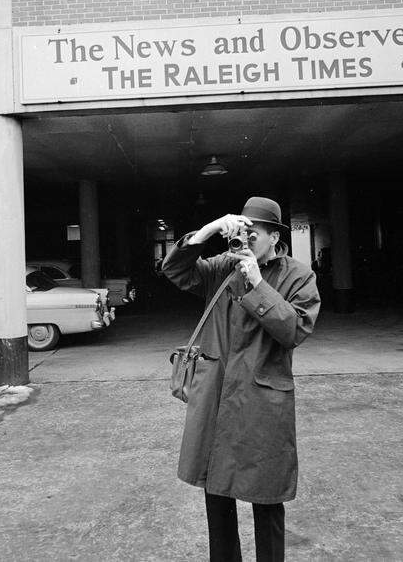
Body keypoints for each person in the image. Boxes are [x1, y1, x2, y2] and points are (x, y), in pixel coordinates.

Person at [162, 196, 321, 562]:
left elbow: (294, 329)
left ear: (274, 239)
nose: (245, 242)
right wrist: (212, 228)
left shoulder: (299, 275)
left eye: (255, 235)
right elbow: (176, 271)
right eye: (242, 233)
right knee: (216, 491)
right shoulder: (222, 266)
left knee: (266, 496)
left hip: (263, 396)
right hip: (216, 392)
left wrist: (256, 283)